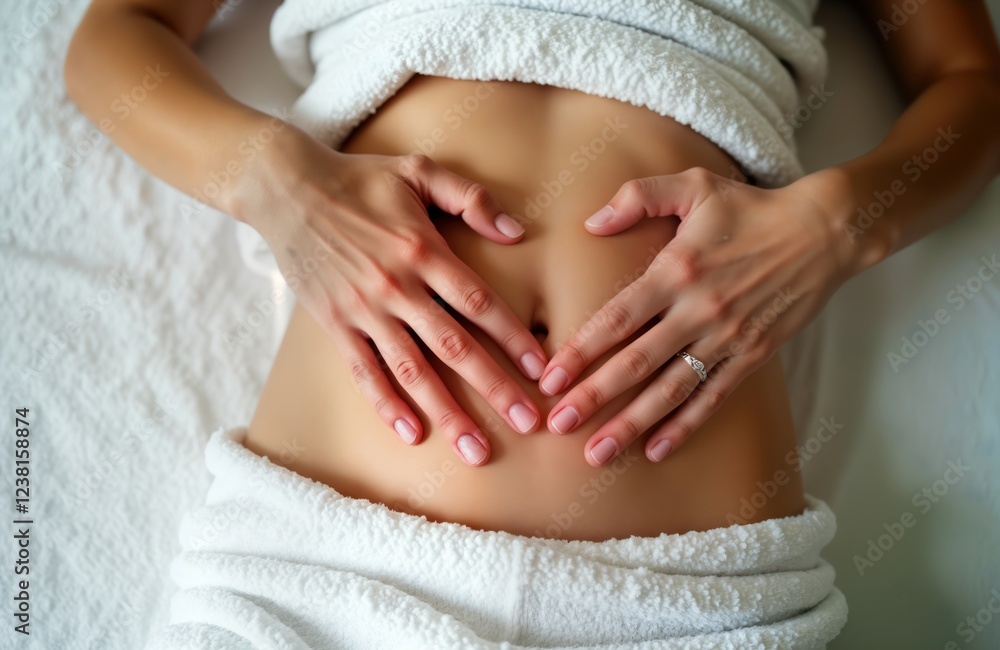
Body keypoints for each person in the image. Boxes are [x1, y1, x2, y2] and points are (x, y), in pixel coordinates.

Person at [64, 0, 999, 646]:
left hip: (692, 607)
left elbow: (970, 84)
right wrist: (272, 180)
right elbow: (118, 31)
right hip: (320, 580)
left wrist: (838, 225)